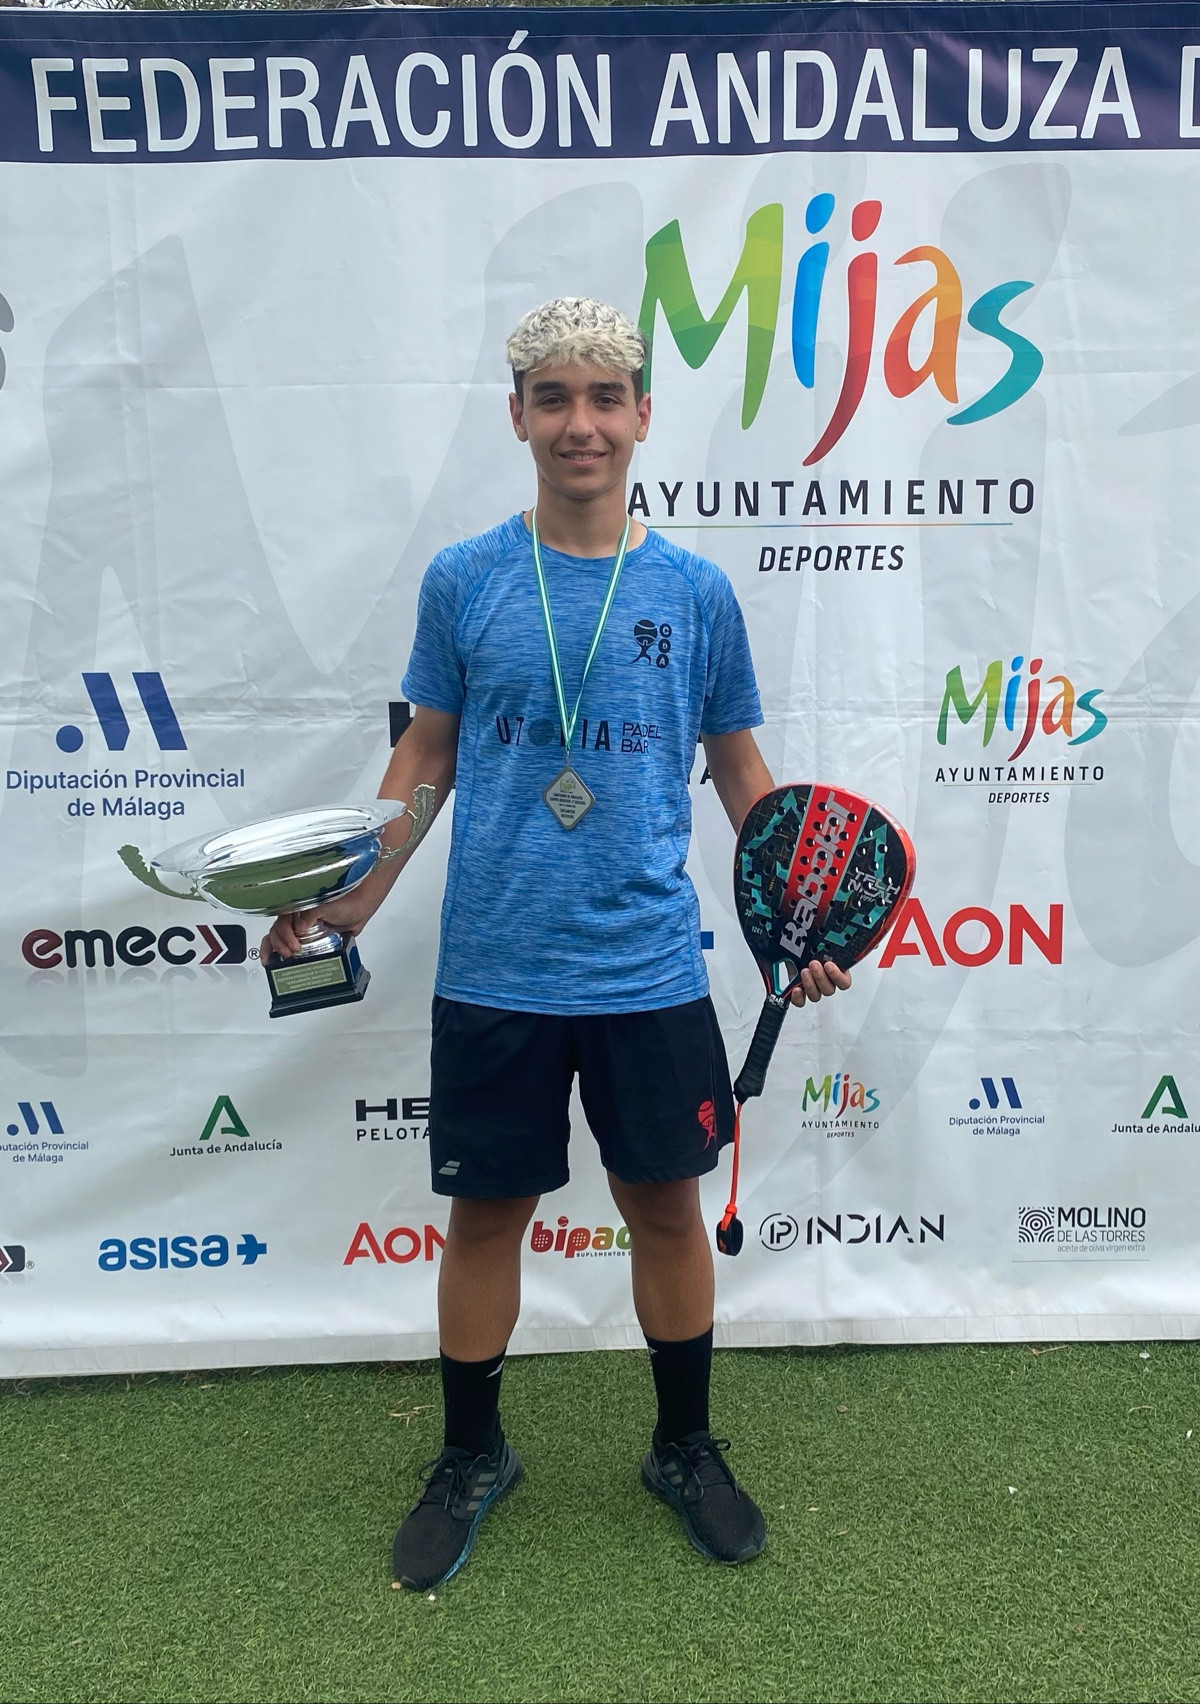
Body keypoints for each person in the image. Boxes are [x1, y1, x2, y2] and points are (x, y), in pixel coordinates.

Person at [263, 297, 851, 1590]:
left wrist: (790, 915)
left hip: (649, 970)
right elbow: (426, 754)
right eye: (554, 399)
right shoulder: (466, 578)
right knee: (486, 1219)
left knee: (666, 1211)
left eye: (603, 398)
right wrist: (353, 896)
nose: (580, 423)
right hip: (497, 967)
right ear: (520, 417)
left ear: (641, 416)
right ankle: (472, 1453)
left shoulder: (695, 592)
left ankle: (684, 1446)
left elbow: (741, 770)